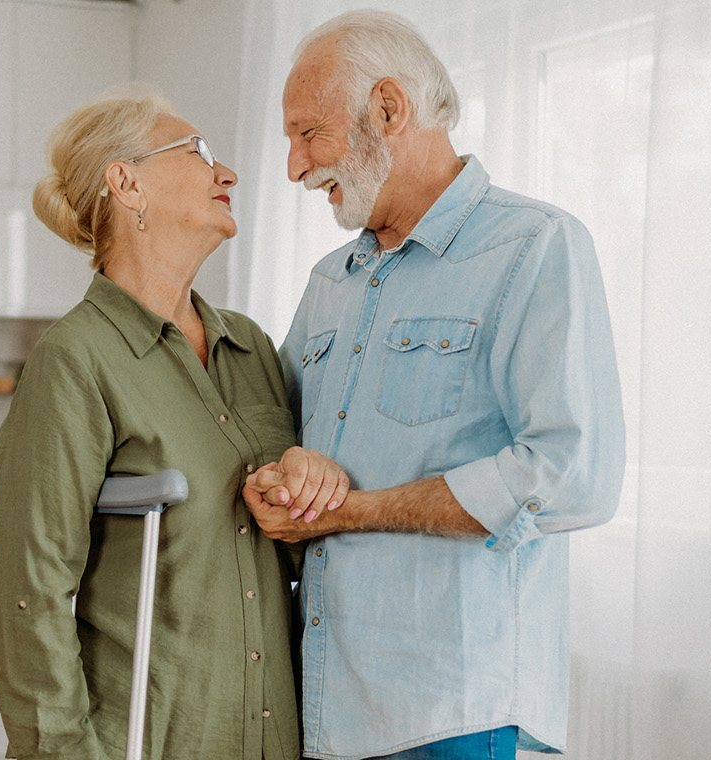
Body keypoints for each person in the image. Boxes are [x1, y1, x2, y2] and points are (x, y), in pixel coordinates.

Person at [243, 10, 626, 760]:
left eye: (306, 133)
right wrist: (278, 474)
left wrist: (349, 512)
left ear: (387, 109)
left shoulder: (535, 246)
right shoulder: (330, 283)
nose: (294, 167)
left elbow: (573, 474)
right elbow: (274, 432)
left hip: (457, 714)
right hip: (322, 711)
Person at [0, 85, 344, 760]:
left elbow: (298, 550)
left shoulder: (251, 348)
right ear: (127, 183)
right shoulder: (77, 360)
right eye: (198, 151)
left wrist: (312, 486)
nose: (227, 172)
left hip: (270, 740)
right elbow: (28, 592)